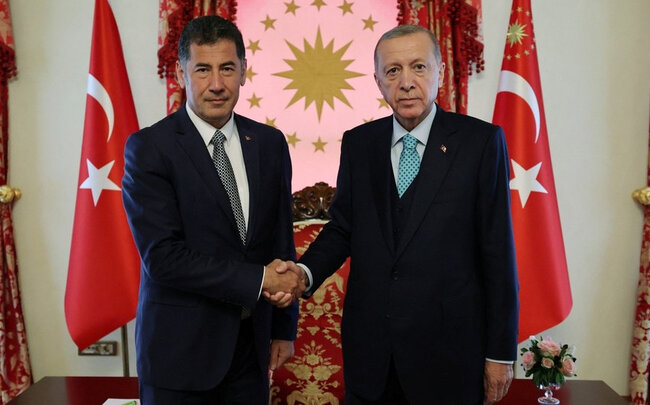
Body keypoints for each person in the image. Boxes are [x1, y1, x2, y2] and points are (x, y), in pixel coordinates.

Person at [267, 24, 519, 405]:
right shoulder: (359, 144)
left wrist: (500, 353)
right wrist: (303, 274)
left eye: (418, 67)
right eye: (393, 70)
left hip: (450, 359)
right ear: (378, 81)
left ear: (440, 73)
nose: (406, 82)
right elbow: (342, 229)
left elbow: (498, 253)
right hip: (372, 358)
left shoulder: (480, 143)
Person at [122, 15, 303, 405]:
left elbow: (280, 239)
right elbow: (163, 258)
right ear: (181, 73)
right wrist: (260, 280)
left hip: (251, 353)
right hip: (179, 356)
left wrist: (283, 328)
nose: (217, 84)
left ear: (244, 71)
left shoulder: (269, 143)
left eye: (227, 68)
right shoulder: (149, 148)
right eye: (203, 69)